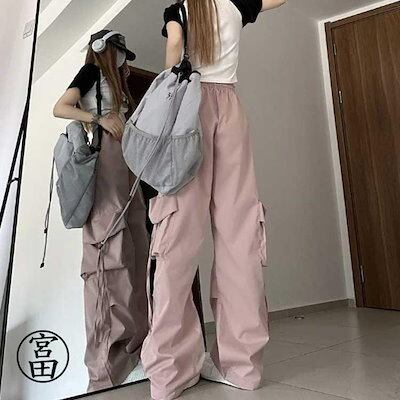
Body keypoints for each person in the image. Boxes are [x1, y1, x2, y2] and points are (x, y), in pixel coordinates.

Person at [140, 0, 286, 399]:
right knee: (240, 236)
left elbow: (174, 49)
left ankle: (171, 374)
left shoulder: (179, 9)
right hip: (231, 110)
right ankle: (242, 369)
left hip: (187, 110)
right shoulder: (239, 1)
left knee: (176, 239)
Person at [53, 30, 149, 392]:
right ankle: (107, 369)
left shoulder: (116, 80)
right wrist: (98, 119)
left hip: (126, 160)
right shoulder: (91, 72)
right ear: (104, 49)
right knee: (110, 251)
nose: (123, 59)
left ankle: (135, 352)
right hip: (106, 159)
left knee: (136, 247)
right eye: (119, 51)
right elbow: (60, 107)